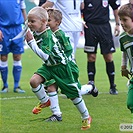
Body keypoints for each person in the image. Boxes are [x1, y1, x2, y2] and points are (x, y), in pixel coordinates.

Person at [25, 6, 92, 130]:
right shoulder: (37, 30)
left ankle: (86, 116)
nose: (29, 24)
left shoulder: (48, 36)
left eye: (32, 21)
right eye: (29, 21)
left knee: (73, 94)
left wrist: (31, 43)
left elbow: (45, 55)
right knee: (34, 81)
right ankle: (45, 101)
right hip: (50, 66)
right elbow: (28, 25)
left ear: (43, 22)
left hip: (61, 67)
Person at [82, 0, 120, 95]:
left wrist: (117, 24)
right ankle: (91, 85)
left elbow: (115, 8)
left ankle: (112, 85)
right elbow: (80, 8)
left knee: (108, 57)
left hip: (104, 27)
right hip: (90, 27)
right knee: (91, 57)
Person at [0, 0, 27, 93]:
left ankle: (17, 86)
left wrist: (27, 26)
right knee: (3, 57)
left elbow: (23, 10)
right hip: (3, 29)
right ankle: (5, 86)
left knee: (17, 56)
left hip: (17, 29)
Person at [118, 3, 133, 115]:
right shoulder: (123, 38)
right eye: (120, 20)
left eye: (125, 20)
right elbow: (125, 53)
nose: (122, 23)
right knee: (130, 103)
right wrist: (123, 67)